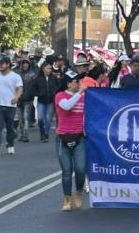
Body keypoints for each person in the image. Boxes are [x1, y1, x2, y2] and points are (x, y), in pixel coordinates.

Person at [55, 70, 87, 212]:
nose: (79, 84)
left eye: (79, 81)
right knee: (67, 170)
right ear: (68, 84)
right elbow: (67, 106)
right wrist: (80, 93)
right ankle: (67, 198)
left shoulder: (84, 97)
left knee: (80, 169)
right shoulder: (60, 96)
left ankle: (78, 191)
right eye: (76, 82)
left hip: (80, 137)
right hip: (63, 137)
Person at [0, 58, 23, 156]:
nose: (0, 65)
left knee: (10, 127)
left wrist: (16, 97)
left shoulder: (15, 76)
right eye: (0, 63)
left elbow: (20, 89)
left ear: (8, 64)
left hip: (10, 105)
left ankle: (10, 144)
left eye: (2, 64)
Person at [33, 62, 61, 142]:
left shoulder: (53, 78)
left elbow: (58, 86)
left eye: (50, 68)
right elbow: (34, 88)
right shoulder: (38, 78)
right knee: (40, 118)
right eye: (47, 68)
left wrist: (54, 93)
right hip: (41, 101)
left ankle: (46, 134)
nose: (49, 70)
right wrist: (38, 94)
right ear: (43, 69)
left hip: (50, 101)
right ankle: (42, 131)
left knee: (48, 119)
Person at [14, 59, 36, 142]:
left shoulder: (32, 75)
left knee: (26, 117)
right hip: (19, 98)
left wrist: (32, 95)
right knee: (20, 118)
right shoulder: (17, 74)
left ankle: (25, 135)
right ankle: (21, 134)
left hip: (28, 98)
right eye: (24, 64)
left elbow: (34, 86)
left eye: (27, 64)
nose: (25, 65)